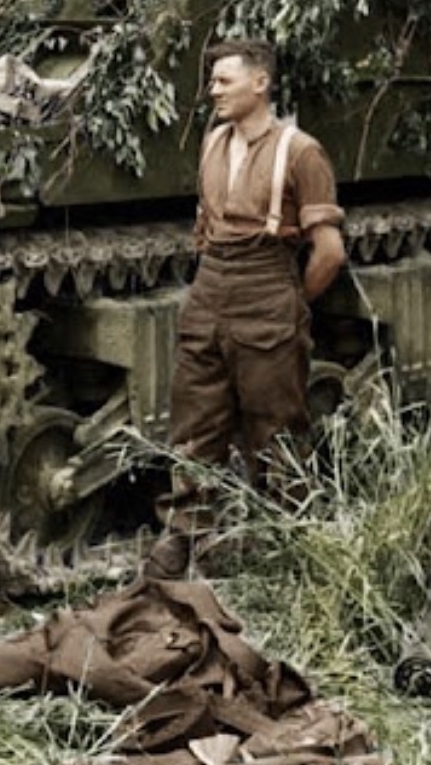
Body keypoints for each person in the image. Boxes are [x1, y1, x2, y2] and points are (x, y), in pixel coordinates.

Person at [146, 39, 347, 580]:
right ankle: (183, 535)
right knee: (194, 422)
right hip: (210, 286)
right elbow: (204, 226)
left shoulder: (300, 152)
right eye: (212, 81)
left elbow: (329, 252)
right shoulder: (214, 141)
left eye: (224, 81)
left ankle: (289, 541)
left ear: (260, 83)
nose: (213, 91)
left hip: (267, 286)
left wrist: (288, 304)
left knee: (274, 428)